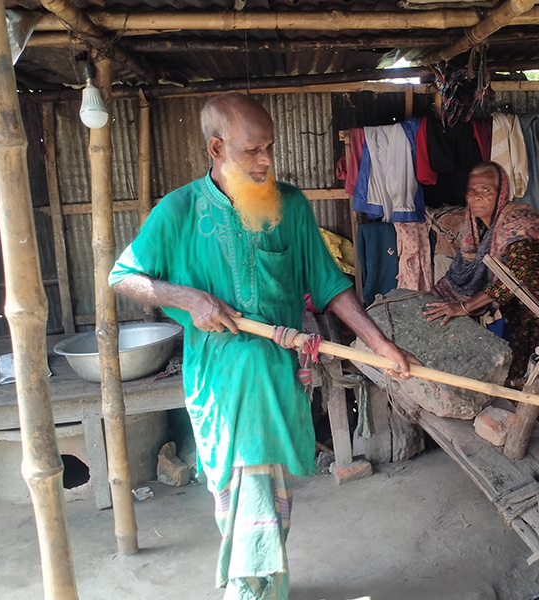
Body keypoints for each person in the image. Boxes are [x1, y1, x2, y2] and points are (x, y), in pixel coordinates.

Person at [109, 93, 418, 600]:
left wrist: (379, 343)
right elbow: (124, 277)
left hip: (280, 377)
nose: (266, 160)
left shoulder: (289, 205)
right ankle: (253, 590)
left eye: (269, 147)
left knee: (270, 502)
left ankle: (260, 586)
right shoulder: (179, 210)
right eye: (253, 150)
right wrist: (185, 297)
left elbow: (329, 284)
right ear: (216, 147)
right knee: (247, 495)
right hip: (223, 384)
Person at [423, 161, 539, 427]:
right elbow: (465, 273)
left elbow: (515, 279)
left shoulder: (517, 223)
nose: (476, 196)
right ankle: (529, 427)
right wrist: (436, 295)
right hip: (519, 308)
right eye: (471, 190)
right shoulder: (478, 231)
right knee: (523, 370)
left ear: (501, 193)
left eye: (485, 189)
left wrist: (462, 308)